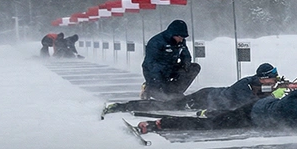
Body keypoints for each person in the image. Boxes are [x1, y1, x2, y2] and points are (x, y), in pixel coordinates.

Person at [137, 69, 297, 133]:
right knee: (210, 126)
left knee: (218, 117)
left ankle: (209, 112)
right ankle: (161, 123)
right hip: (251, 114)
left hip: (260, 109)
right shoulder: (292, 102)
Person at [104, 63, 280, 115]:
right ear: (264, 78)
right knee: (167, 106)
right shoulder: (246, 85)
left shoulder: (256, 84)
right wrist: (273, 95)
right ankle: (121, 106)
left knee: (169, 104)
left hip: (209, 96)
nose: (274, 81)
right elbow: (247, 104)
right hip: (204, 98)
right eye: (273, 78)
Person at [141, 19, 200, 100]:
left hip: (170, 68)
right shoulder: (156, 42)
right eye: (180, 37)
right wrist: (157, 81)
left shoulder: (181, 42)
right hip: (156, 71)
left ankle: (175, 91)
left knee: (194, 67)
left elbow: (186, 55)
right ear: (173, 34)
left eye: (183, 38)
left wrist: (185, 64)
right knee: (160, 95)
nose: (181, 40)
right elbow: (150, 64)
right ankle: (150, 89)